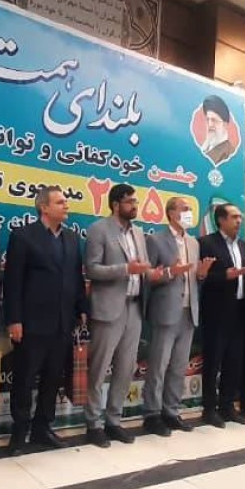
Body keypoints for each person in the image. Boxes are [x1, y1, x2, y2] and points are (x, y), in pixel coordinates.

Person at [3, 187, 87, 455]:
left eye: (66, 201)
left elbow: (75, 277)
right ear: (44, 207)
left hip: (63, 322)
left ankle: (42, 427)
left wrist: (81, 308)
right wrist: (14, 319)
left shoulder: (71, 238)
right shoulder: (23, 236)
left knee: (52, 378)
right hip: (31, 323)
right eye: (60, 202)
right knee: (24, 380)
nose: (66, 206)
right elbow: (13, 282)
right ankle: (19, 433)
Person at [83, 184, 163, 448]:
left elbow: (142, 268)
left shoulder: (139, 233)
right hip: (108, 308)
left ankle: (113, 420)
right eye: (129, 202)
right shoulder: (99, 230)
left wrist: (158, 273)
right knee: (99, 368)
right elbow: (92, 269)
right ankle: (93, 424)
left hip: (134, 307)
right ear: (116, 204)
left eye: (135, 201)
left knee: (126, 368)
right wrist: (125, 269)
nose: (135, 206)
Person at [142, 197, 214, 436]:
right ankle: (152, 414)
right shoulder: (155, 240)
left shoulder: (193, 243)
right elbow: (148, 277)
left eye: (190, 209)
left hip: (188, 311)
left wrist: (201, 275)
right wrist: (170, 272)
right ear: (171, 213)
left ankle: (171, 412)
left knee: (179, 366)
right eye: (184, 209)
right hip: (165, 311)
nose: (189, 212)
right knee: (158, 366)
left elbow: (194, 279)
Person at [198, 203, 245, 427]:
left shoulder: (244, 247)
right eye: (234, 217)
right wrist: (224, 276)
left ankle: (227, 407)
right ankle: (209, 409)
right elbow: (201, 278)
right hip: (216, 311)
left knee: (234, 361)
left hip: (240, 310)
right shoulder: (206, 243)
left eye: (240, 217)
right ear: (221, 220)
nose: (239, 221)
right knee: (213, 361)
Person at [198, 95, 237, 166]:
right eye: (208, 120)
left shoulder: (228, 152)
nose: (210, 124)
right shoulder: (206, 146)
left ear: (224, 125)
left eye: (214, 120)